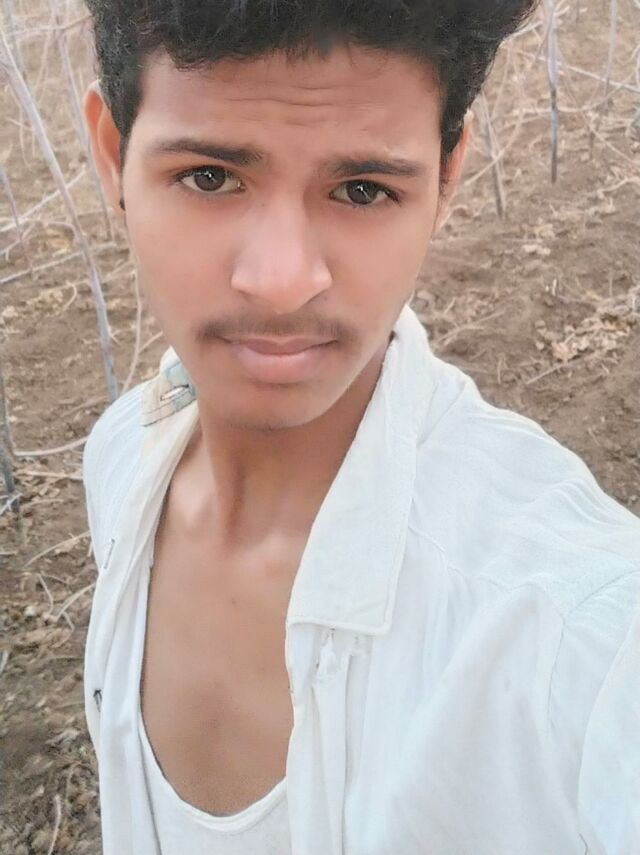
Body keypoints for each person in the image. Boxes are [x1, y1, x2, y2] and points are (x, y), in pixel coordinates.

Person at [80, 1, 640, 853]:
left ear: (447, 179)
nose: (281, 281)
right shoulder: (122, 458)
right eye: (210, 177)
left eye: (363, 190)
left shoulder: (578, 640)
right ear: (112, 156)